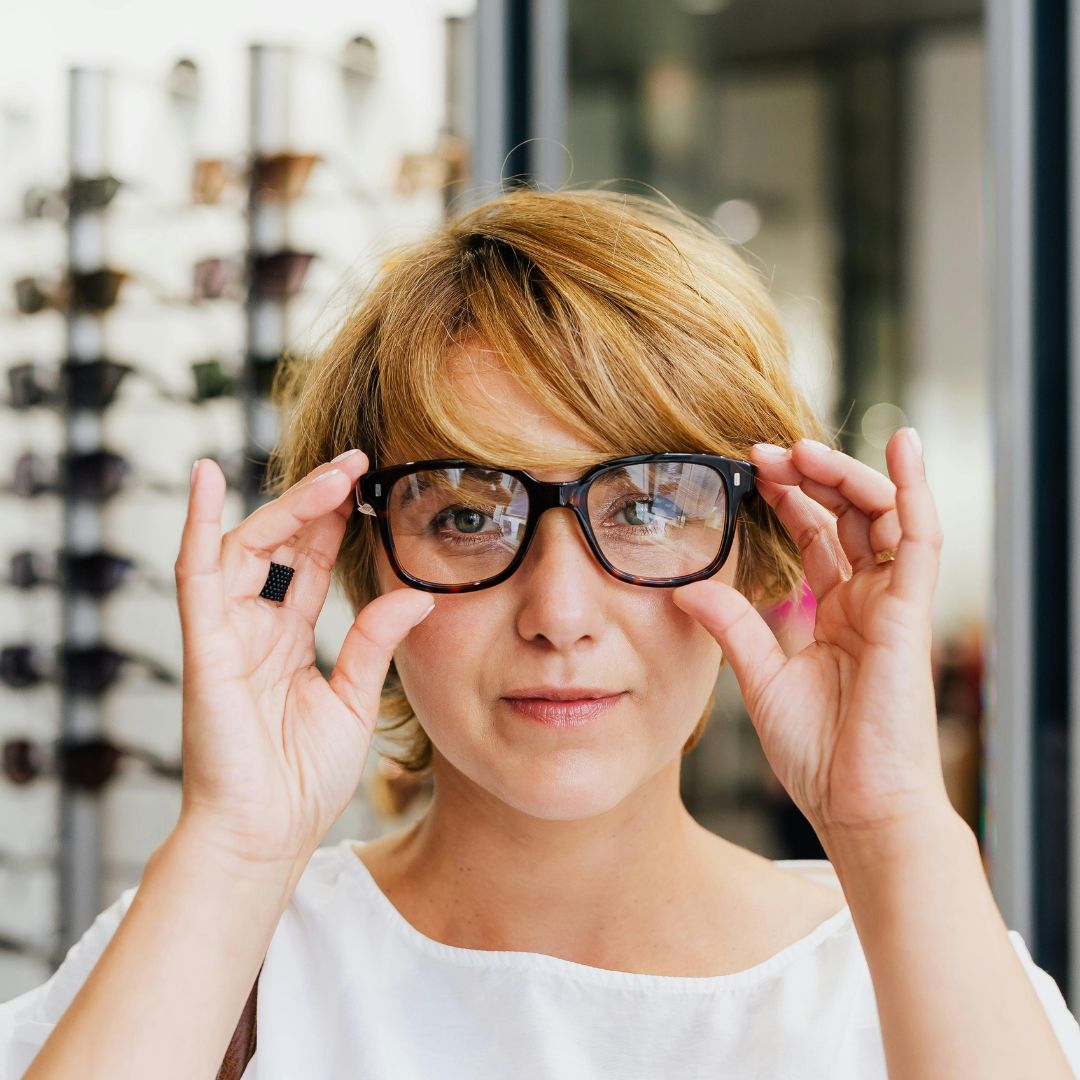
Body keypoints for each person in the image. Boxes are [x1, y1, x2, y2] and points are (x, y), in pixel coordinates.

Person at [2, 187, 1079, 1079]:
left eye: (650, 508)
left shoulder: (919, 968)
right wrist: (235, 844)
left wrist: (895, 830)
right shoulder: (213, 952)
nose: (560, 615)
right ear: (364, 557)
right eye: (467, 517)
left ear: (756, 549)